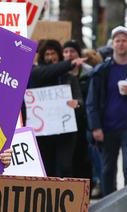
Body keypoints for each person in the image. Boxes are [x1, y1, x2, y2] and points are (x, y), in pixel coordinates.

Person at [86, 26, 127, 196]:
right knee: (108, 169)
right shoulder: (102, 70)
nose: (121, 44)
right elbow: (92, 101)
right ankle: (109, 202)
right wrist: (95, 127)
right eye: (118, 41)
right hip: (107, 127)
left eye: (124, 40)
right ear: (112, 44)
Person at [28, 39, 87, 178]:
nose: (50, 57)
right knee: (46, 168)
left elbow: (80, 101)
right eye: (47, 54)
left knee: (65, 167)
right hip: (44, 134)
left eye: (53, 53)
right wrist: (69, 64)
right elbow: (47, 72)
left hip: (65, 133)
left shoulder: (69, 78)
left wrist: (76, 104)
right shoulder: (37, 74)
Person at [63, 39, 93, 184]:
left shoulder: (89, 73)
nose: (69, 54)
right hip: (66, 125)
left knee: (84, 160)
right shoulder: (59, 72)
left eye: (72, 51)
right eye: (66, 51)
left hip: (84, 124)